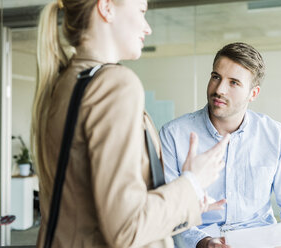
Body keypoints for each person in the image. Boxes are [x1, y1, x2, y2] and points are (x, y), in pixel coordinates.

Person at [31, 0, 230, 247]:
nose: (148, 28)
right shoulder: (114, 85)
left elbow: (86, 209)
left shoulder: (62, 84)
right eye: (141, 11)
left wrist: (187, 198)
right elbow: (126, 229)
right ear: (106, 8)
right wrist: (193, 183)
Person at [160, 42, 281, 248]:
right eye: (216, 77)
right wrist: (202, 242)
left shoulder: (275, 135)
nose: (219, 89)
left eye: (234, 83)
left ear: (253, 93)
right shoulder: (173, 135)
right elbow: (166, 210)